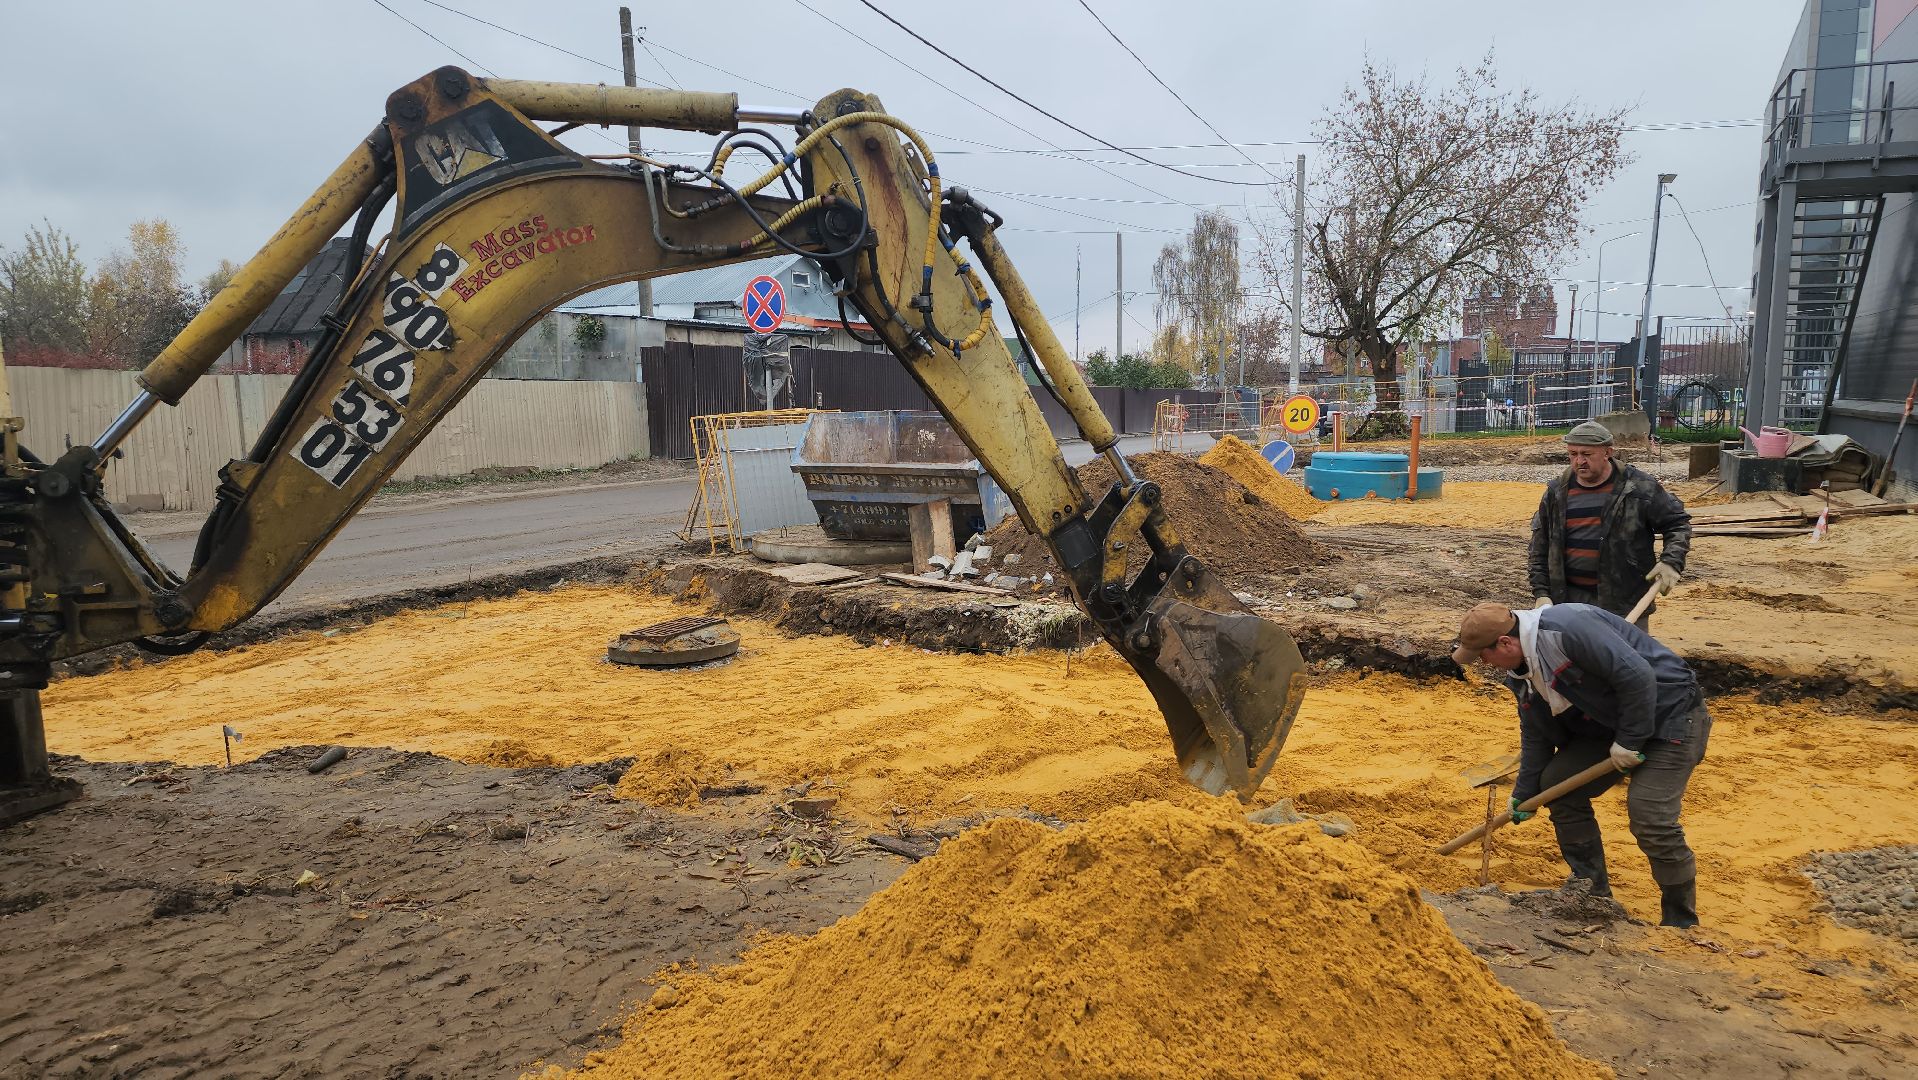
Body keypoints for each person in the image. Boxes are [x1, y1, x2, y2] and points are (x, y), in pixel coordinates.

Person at [1452, 600, 1711, 928]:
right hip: (1610, 724)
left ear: (1505, 643)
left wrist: (1630, 741)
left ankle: (1680, 921)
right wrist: (1525, 791)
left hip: (1672, 716)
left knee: (1650, 817)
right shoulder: (1521, 673)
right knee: (1557, 788)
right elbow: (1537, 734)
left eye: (1484, 656)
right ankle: (1592, 892)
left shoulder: (1568, 629)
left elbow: (1638, 675)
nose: (1485, 664)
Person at [1528, 421, 1691, 629]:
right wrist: (1542, 593)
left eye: (1587, 454)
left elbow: (1677, 523)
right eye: (1573, 454)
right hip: (1569, 604)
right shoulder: (1556, 492)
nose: (1579, 461)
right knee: (1579, 660)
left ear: (1608, 452)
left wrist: (1671, 561)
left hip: (1625, 604)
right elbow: (1539, 546)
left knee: (1628, 659)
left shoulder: (1639, 489)